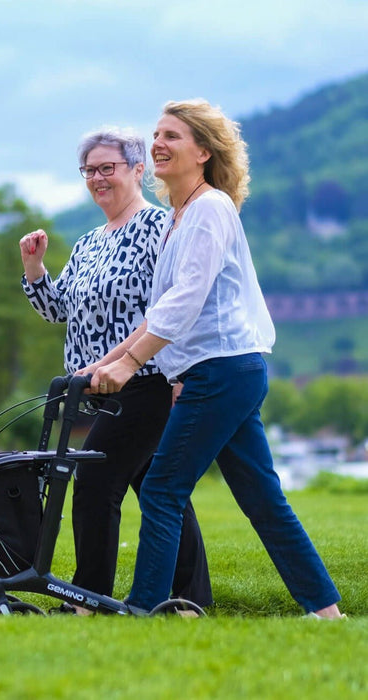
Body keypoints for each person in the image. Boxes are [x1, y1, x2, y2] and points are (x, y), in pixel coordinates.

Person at [85, 100, 344, 618]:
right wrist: (100, 366)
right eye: (157, 134)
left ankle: (148, 610)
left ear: (203, 151)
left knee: (161, 489)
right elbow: (160, 310)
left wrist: (131, 364)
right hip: (222, 372)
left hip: (222, 371)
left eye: (172, 136)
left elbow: (189, 298)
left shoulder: (210, 208)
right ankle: (326, 612)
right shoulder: (178, 219)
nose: (158, 143)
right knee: (262, 499)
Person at [19, 126, 212, 612]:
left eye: (109, 168)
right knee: (158, 490)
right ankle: (191, 598)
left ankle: (86, 598)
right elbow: (57, 310)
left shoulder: (160, 227)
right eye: (90, 170)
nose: (98, 178)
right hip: (98, 389)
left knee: (95, 485)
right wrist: (35, 268)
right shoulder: (88, 242)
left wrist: (180, 375)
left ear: (138, 170)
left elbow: (176, 305)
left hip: (148, 380)